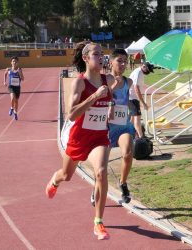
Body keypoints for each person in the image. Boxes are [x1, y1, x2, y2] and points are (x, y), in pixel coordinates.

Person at [45, 41, 115, 240]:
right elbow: (71, 115)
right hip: (79, 138)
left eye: (102, 54)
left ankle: (98, 222)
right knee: (66, 175)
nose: (101, 57)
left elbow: (118, 81)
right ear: (85, 58)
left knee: (101, 172)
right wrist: (94, 96)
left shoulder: (108, 79)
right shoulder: (80, 82)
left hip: (100, 137)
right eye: (96, 54)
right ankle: (55, 180)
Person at [91, 48, 135, 205]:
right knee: (101, 165)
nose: (123, 64)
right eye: (119, 61)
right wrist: (112, 90)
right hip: (107, 127)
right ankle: (96, 185)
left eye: (125, 61)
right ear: (111, 62)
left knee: (128, 153)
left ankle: (123, 183)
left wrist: (134, 112)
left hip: (124, 125)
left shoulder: (129, 82)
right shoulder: (105, 79)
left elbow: (126, 101)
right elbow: (99, 97)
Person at [128, 61, 154, 138]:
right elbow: (136, 88)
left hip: (131, 97)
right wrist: (143, 103)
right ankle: (141, 136)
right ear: (144, 66)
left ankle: (129, 134)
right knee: (137, 118)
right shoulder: (138, 73)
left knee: (132, 118)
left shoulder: (139, 72)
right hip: (133, 98)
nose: (148, 72)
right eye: (148, 70)